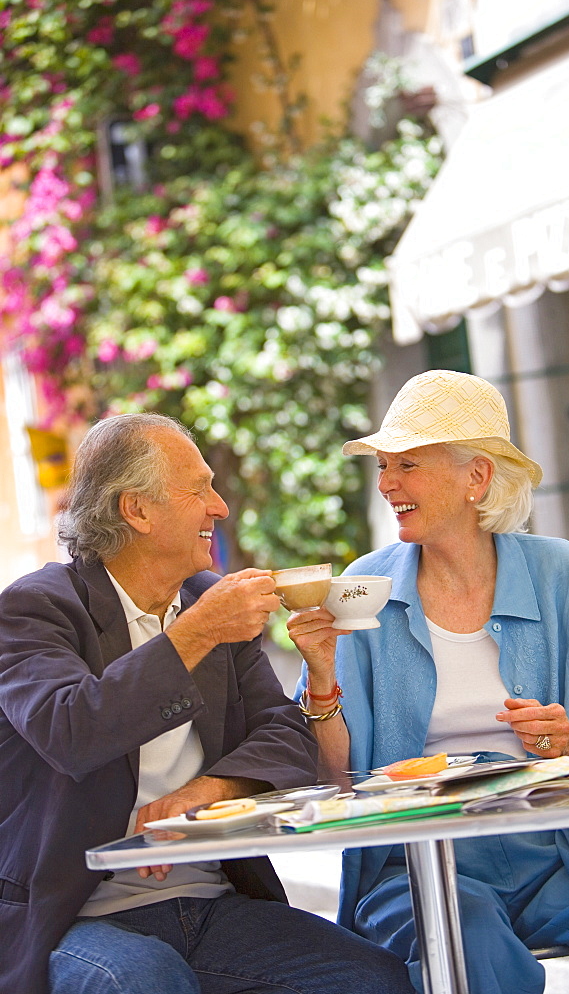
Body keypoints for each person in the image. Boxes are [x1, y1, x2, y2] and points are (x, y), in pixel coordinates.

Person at [0, 412, 415, 994]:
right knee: (147, 978)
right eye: (199, 490)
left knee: (371, 975)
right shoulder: (35, 609)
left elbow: (283, 733)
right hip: (78, 916)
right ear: (135, 510)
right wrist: (195, 632)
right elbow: (71, 730)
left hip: (211, 902)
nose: (219, 507)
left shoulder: (202, 600)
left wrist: (209, 793)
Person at [288, 370, 569, 994]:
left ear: (477, 477)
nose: (387, 484)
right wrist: (323, 681)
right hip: (418, 870)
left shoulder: (563, 576)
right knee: (466, 944)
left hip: (566, 851)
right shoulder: (364, 589)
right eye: (384, 467)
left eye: (406, 464)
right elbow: (333, 780)